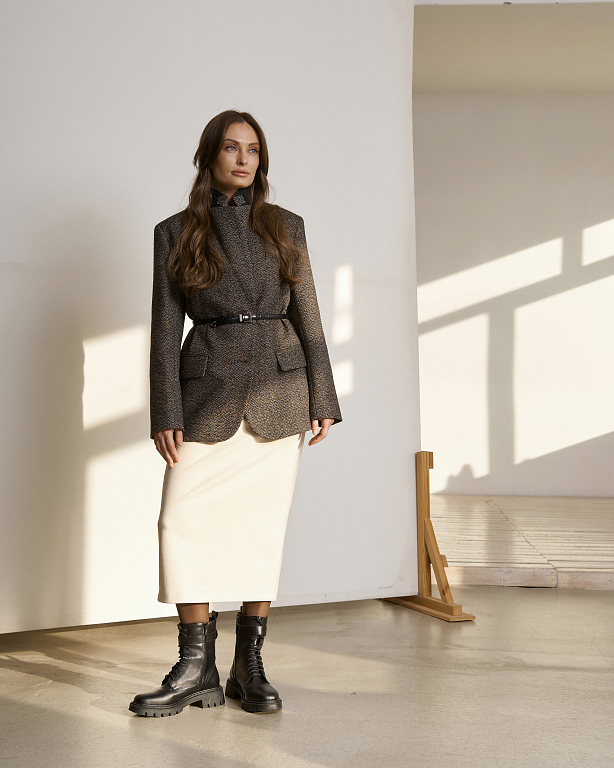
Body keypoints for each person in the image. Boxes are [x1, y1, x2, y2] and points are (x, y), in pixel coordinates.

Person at [129, 110, 342, 717]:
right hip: (207, 389)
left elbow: (309, 317)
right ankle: (196, 666)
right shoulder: (175, 232)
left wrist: (323, 398)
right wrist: (165, 409)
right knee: (179, 523)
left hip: (279, 388)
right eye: (231, 148)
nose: (244, 159)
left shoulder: (286, 226)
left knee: (261, 528)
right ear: (209, 156)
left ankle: (249, 664)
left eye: (253, 149)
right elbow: (164, 329)